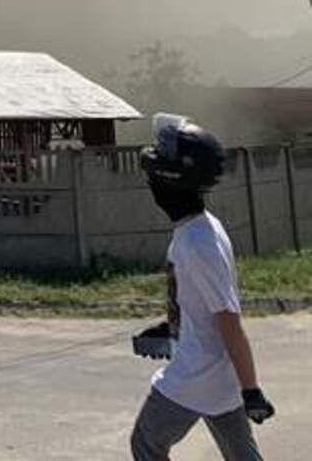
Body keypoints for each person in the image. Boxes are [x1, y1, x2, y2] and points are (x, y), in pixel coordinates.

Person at [130, 113, 275, 460]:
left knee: (146, 443)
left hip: (196, 374)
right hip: (218, 375)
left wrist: (251, 389)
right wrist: (173, 329)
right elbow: (203, 304)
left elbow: (228, 318)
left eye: (154, 177)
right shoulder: (200, 228)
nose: (151, 184)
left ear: (170, 182)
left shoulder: (197, 243)